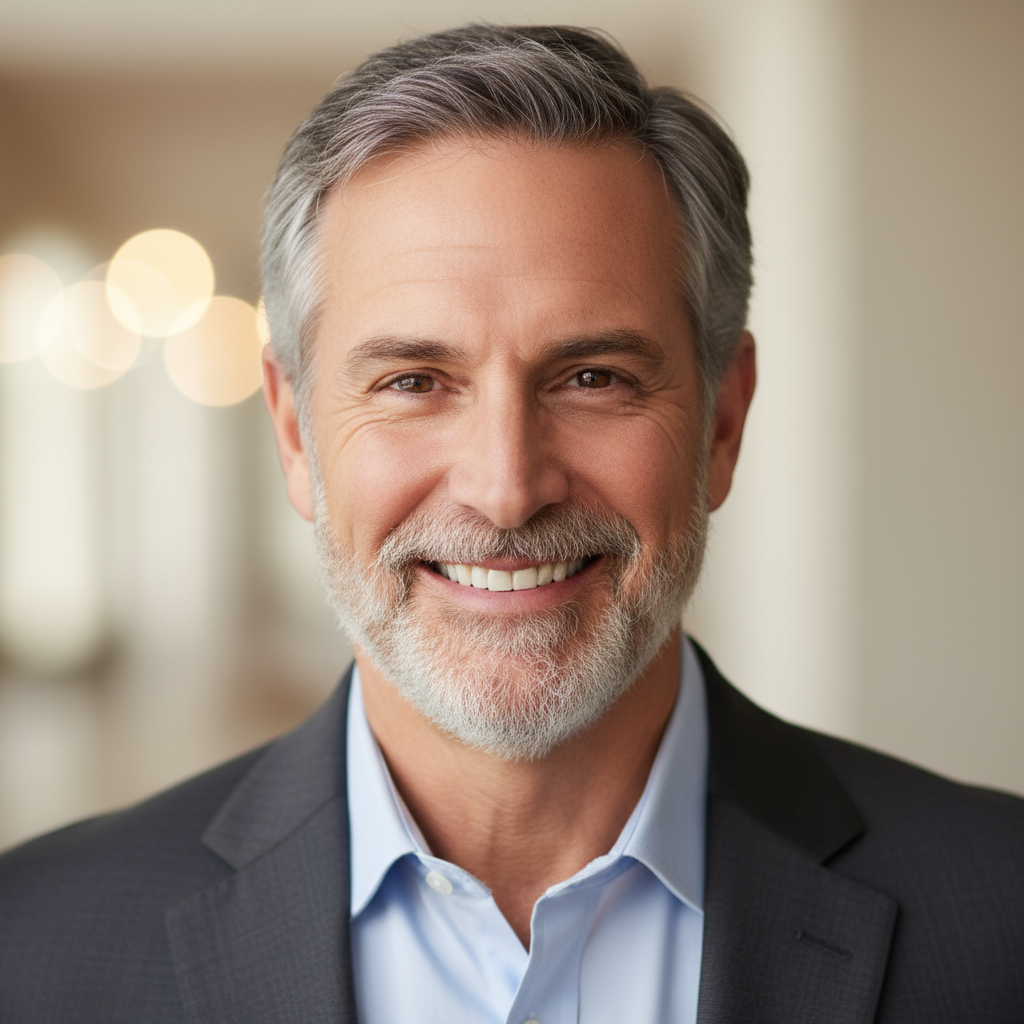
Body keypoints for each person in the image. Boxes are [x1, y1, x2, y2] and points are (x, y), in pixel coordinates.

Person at [1, 24, 1022, 1024]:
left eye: (591, 377)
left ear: (721, 420)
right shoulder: (31, 947)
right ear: (296, 434)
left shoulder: (1000, 917)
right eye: (413, 380)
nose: (504, 488)